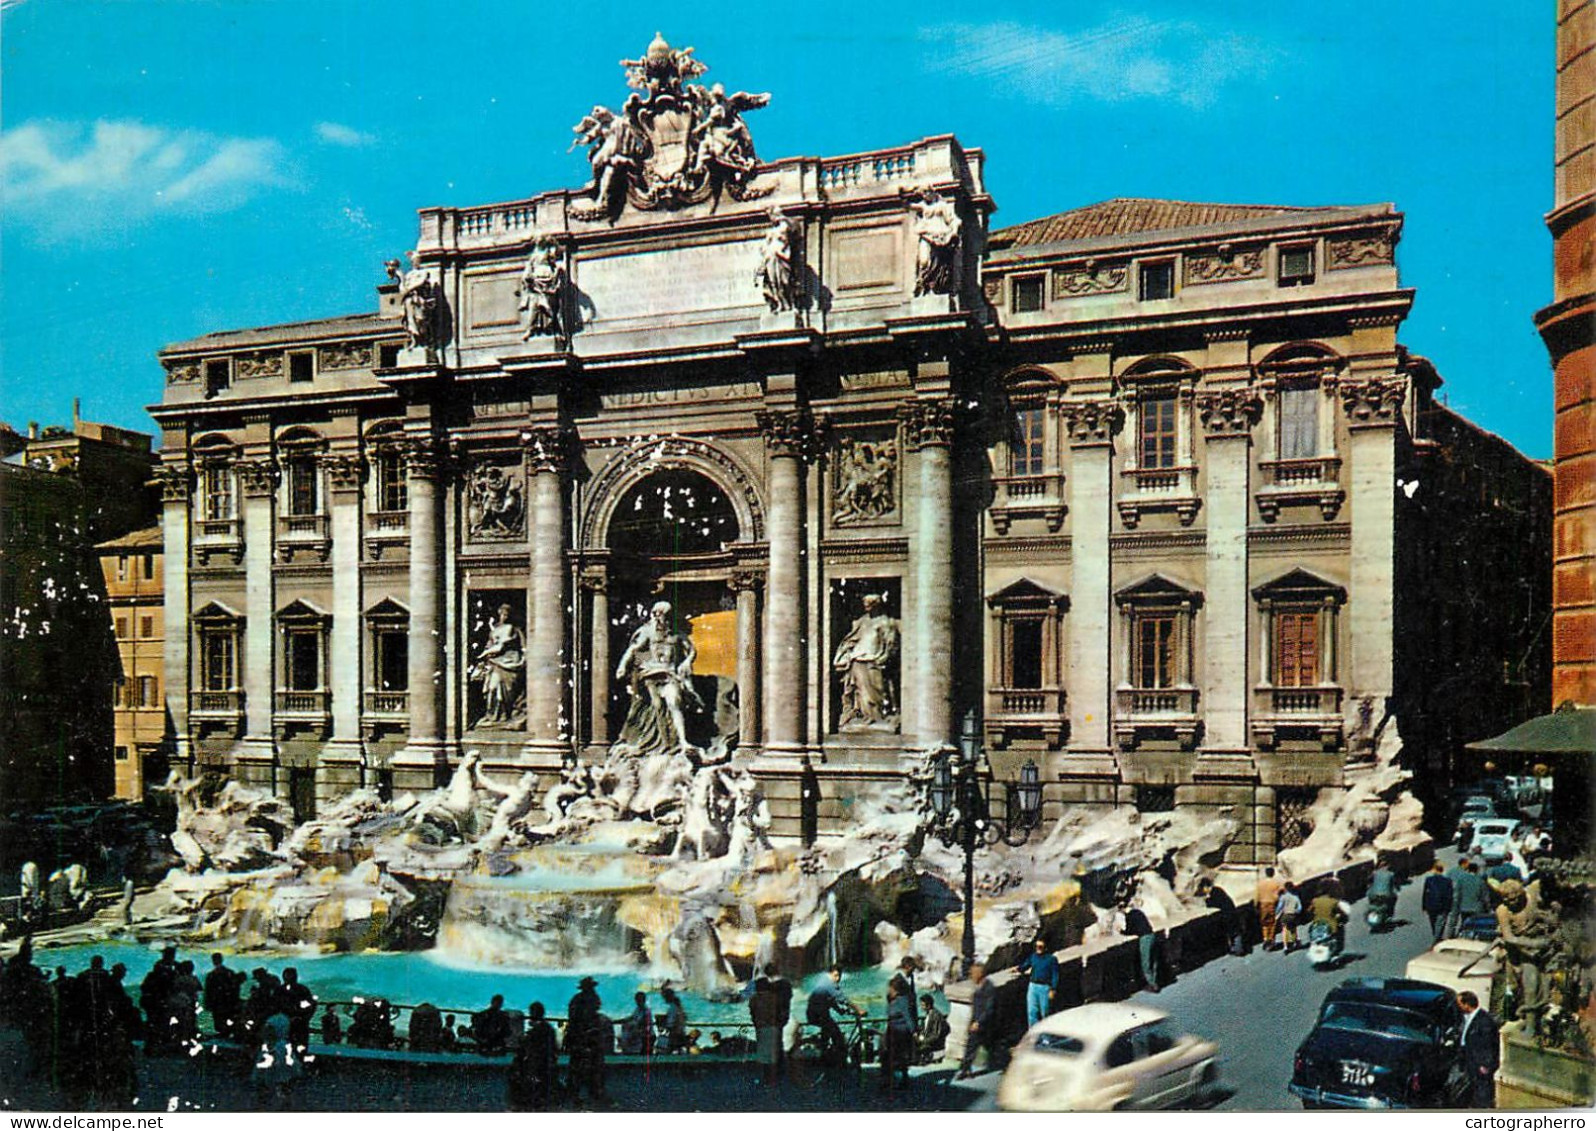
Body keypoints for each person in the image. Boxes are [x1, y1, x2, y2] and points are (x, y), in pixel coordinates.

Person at [615, 600, 703, 755]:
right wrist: (622, 666)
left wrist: (687, 662)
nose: (662, 618)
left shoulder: (677, 634)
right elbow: (633, 649)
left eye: (665, 615)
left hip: (670, 675)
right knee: (657, 706)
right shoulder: (648, 632)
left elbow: (691, 650)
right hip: (651, 676)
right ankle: (665, 741)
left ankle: (683, 741)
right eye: (659, 614)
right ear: (655, 614)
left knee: (674, 701)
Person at [833, 594, 901, 729]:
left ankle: (876, 717)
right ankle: (865, 717)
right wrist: (847, 652)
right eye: (864, 603)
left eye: (869, 603)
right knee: (858, 691)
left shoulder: (885, 622)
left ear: (876, 604)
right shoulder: (862, 621)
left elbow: (891, 643)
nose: (865, 606)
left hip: (873, 661)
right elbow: (851, 638)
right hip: (857, 660)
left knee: (875, 691)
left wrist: (883, 658)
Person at [471, 604, 526, 727]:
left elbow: (501, 646)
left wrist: (484, 654)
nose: (504, 616)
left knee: (503, 691)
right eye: (502, 614)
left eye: (507, 614)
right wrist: (486, 653)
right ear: (499, 614)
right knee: (492, 689)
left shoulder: (510, 628)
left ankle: (503, 717)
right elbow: (490, 644)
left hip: (509, 662)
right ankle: (493, 716)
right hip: (495, 663)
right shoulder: (494, 629)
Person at [805, 966, 862, 1066]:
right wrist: (859, 1010)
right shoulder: (829, 984)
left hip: (814, 1014)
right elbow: (843, 999)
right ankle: (837, 1061)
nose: (837, 978)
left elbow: (830, 999)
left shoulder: (823, 981)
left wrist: (840, 1010)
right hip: (819, 1015)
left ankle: (827, 1056)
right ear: (830, 974)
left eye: (839, 976)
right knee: (838, 1037)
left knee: (828, 1033)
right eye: (835, 975)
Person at [508, 1002, 560, 1111]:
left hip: (536, 1067)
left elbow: (526, 1045)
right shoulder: (549, 1028)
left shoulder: (536, 1031)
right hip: (546, 1066)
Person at [565, 976, 607, 1107]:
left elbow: (572, 1019)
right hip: (585, 1039)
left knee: (579, 1067)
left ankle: (577, 1093)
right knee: (588, 1067)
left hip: (580, 1039)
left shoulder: (578, 1000)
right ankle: (588, 1093)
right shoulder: (589, 1000)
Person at [748, 963, 793, 1084]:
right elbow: (787, 1000)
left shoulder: (765, 991)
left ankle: (772, 1074)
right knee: (776, 1044)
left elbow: (752, 1007)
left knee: (767, 1047)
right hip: (778, 1019)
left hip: (767, 1022)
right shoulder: (784, 984)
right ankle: (779, 1072)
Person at [1458, 990, 1501, 1107]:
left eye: (1460, 1004)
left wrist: (1485, 1064)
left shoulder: (1484, 1021)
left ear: (1467, 1004)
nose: (1459, 1007)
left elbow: (1489, 1044)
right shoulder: (1469, 1017)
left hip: (1479, 1064)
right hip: (1470, 1061)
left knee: (1481, 1092)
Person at [956, 963, 999, 1079]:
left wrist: (978, 1022)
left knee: (976, 1045)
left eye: (973, 973)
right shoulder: (978, 986)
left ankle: (965, 1069)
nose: (971, 976)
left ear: (980, 974)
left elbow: (989, 1008)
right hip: (975, 1021)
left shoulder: (989, 988)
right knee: (972, 1046)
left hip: (984, 1023)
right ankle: (966, 1069)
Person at [1016, 937, 1059, 1027]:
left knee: (1045, 1013)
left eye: (1040, 947)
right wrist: (1018, 969)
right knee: (1032, 1012)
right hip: (1033, 986)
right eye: (1037, 946)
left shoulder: (1052, 959)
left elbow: (1055, 975)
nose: (1038, 948)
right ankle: (1033, 1033)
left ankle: (1048, 1034)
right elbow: (1025, 966)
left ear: (1045, 947)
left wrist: (1053, 989)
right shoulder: (1033, 956)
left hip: (1045, 988)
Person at [882, 975, 915, 1091]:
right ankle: (889, 1080)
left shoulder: (902, 1001)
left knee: (898, 1058)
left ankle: (901, 1080)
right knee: (888, 1057)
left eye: (890, 988)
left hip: (900, 1033)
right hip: (892, 1031)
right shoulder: (892, 1000)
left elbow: (908, 1017)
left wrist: (914, 1033)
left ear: (896, 990)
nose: (888, 990)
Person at [1201, 879, 1249, 956]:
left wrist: (1207, 901)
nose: (1203, 891)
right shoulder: (1218, 890)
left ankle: (1238, 949)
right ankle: (1237, 948)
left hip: (1228, 914)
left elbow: (1215, 903)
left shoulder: (1215, 892)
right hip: (1231, 912)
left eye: (1203, 889)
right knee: (1234, 931)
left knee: (1234, 932)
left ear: (1206, 887)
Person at [1124, 901, 1165, 989]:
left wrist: (1121, 931)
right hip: (1151, 935)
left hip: (1144, 938)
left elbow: (1129, 930)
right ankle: (1155, 980)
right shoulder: (1139, 912)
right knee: (1152, 959)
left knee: (1145, 962)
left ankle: (1152, 984)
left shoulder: (1129, 916)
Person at [204, 953, 245, 1040]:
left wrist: (208, 1003)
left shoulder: (211, 975)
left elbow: (208, 991)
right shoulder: (229, 973)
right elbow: (235, 988)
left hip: (219, 1003)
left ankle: (223, 1036)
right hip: (226, 1003)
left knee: (219, 1022)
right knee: (224, 1021)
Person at [1449, 858, 1492, 938]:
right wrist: (1489, 909)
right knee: (1476, 927)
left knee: (1464, 923)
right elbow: (1485, 897)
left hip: (1464, 907)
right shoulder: (1480, 880)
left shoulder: (1461, 879)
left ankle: (1462, 937)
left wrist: (1456, 906)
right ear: (1477, 870)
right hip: (1477, 908)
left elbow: (1457, 894)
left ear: (1468, 869)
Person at [279, 967, 316, 1050]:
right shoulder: (280, 990)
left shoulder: (302, 990)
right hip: (290, 1023)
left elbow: (311, 1005)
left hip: (298, 1023)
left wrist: (304, 1018)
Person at [1422, 860, 1454, 943]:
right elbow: (1449, 895)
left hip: (1431, 905)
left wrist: (1424, 906)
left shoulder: (1429, 880)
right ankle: (1437, 939)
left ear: (1434, 869)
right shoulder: (1447, 881)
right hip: (1443, 905)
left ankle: (1436, 937)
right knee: (1440, 923)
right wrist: (1449, 906)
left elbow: (1425, 893)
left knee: (1433, 922)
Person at [915, 994, 950, 1064]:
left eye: (923, 1005)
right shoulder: (928, 1014)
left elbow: (936, 1034)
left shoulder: (936, 1016)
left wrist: (923, 1041)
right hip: (925, 1037)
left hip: (931, 1042)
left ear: (929, 1005)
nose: (921, 1007)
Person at [1256, 867, 1283, 950]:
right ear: (1273, 873)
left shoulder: (1260, 884)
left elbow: (1256, 896)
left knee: (1264, 923)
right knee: (1272, 923)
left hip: (1263, 905)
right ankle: (1271, 940)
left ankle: (1265, 938)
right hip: (1272, 904)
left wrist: (1256, 905)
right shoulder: (1276, 883)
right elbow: (1282, 892)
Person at [656, 985, 688, 1053]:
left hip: (675, 1035)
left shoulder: (672, 1008)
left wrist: (662, 1024)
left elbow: (670, 1024)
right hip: (681, 1033)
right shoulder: (678, 1007)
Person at [619, 991, 653, 1055]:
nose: (637, 1001)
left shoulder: (646, 1011)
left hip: (646, 1037)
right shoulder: (637, 1009)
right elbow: (631, 1018)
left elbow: (646, 1026)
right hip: (639, 1036)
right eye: (637, 1000)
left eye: (639, 1000)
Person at [1275, 882, 1304, 952]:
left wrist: (1276, 913)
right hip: (1293, 915)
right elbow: (1299, 908)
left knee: (1284, 930)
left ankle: (1285, 946)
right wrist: (1296, 911)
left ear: (1285, 888)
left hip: (1285, 915)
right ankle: (1295, 942)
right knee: (1293, 929)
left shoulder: (1283, 897)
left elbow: (1279, 907)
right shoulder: (1295, 897)